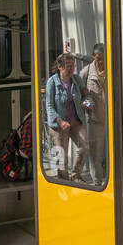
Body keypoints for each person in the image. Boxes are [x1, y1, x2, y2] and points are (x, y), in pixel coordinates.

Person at [44, 53, 87, 182]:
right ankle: (63, 180)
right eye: (68, 66)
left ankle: (76, 175)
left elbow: (86, 97)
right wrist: (60, 121)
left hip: (75, 121)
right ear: (59, 67)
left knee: (84, 146)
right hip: (58, 125)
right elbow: (50, 107)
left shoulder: (76, 79)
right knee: (62, 157)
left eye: (73, 66)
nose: (71, 69)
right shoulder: (52, 82)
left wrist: (88, 104)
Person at [79, 43, 108, 185]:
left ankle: (111, 178)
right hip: (95, 120)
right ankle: (98, 182)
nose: (101, 61)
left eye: (103, 58)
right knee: (96, 153)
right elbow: (79, 95)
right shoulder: (85, 72)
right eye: (98, 58)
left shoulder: (114, 69)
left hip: (112, 119)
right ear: (93, 57)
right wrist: (89, 108)